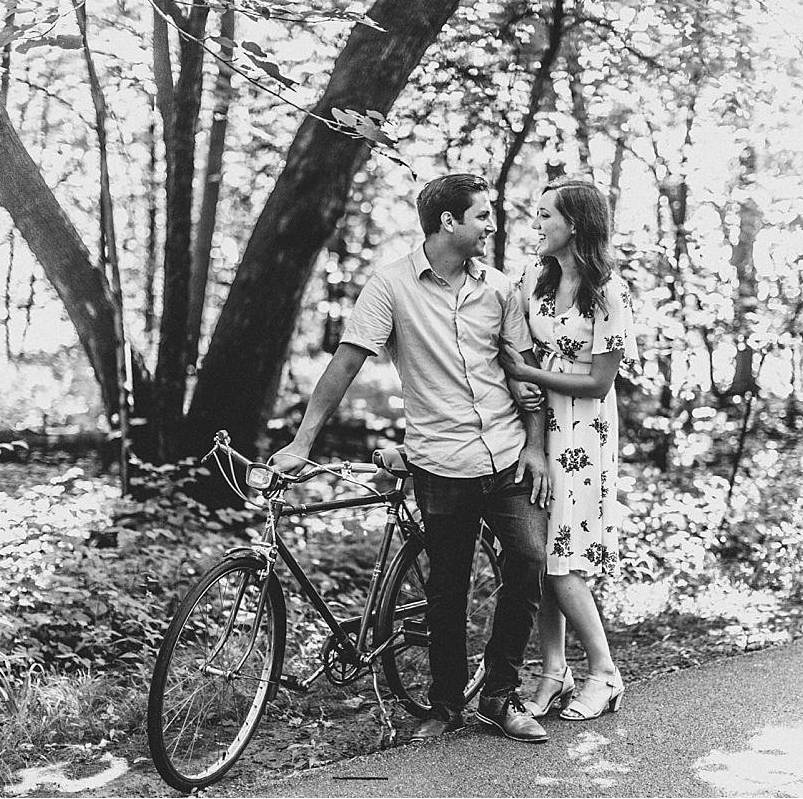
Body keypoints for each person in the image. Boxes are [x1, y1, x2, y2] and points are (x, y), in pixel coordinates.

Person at [270, 174, 553, 744]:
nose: (491, 226)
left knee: (528, 561)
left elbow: (523, 372)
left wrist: (538, 448)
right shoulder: (391, 287)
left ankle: (499, 695)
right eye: (481, 216)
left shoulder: (499, 288)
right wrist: (302, 442)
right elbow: (347, 362)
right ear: (448, 222)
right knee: (447, 590)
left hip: (504, 454)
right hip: (440, 461)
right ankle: (445, 705)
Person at [499, 178, 636, 722]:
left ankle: (605, 673)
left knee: (562, 561)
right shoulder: (535, 278)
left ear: (574, 224)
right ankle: (554, 672)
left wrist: (525, 372)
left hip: (583, 432)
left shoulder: (609, 292)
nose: (537, 226)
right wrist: (519, 382)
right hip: (536, 425)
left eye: (545, 216)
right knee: (538, 555)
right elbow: (512, 337)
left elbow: (601, 383)